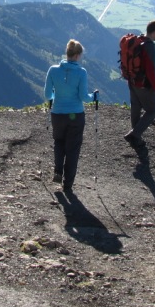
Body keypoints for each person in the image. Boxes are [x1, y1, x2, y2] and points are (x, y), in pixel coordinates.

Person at [44, 39, 97, 193]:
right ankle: (67, 185)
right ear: (77, 55)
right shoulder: (81, 72)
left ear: (67, 54)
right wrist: (94, 97)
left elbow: (48, 95)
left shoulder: (52, 70)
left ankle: (58, 171)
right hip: (76, 115)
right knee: (72, 149)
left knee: (59, 142)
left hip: (57, 114)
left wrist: (59, 94)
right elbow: (84, 97)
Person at [123, 20, 155, 154]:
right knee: (152, 110)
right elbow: (150, 70)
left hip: (132, 80)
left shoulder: (138, 40)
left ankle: (136, 137)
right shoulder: (149, 46)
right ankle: (135, 135)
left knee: (136, 107)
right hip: (143, 84)